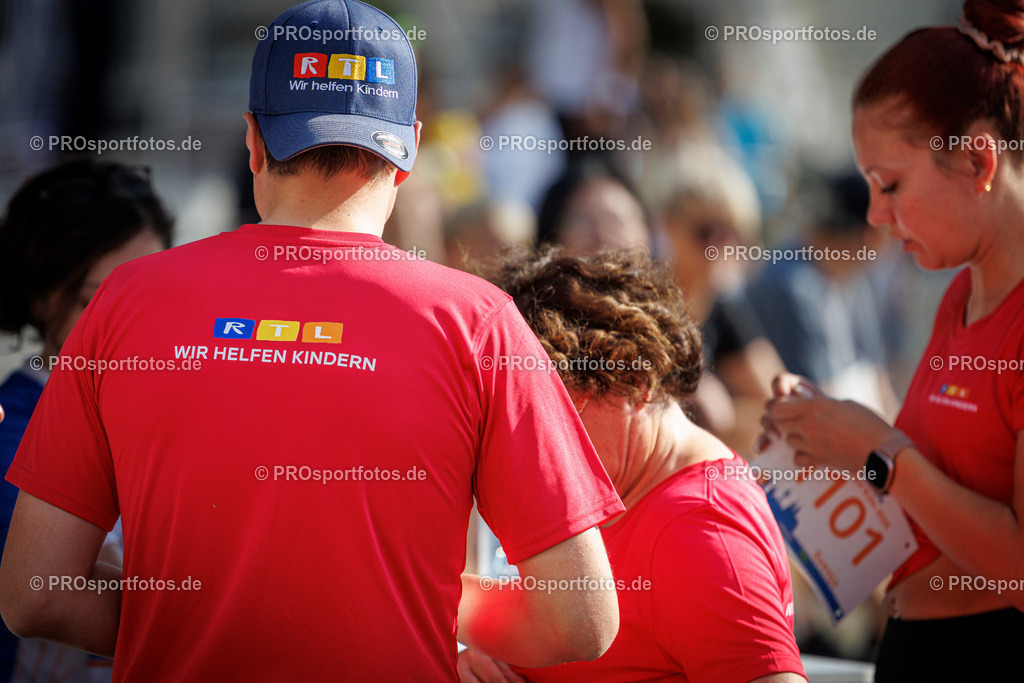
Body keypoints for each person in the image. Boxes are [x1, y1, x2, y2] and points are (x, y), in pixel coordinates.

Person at [0, 1, 624, 679]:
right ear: (410, 149)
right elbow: (582, 618)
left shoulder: (128, 298)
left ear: (253, 140)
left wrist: (187, 618)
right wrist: (430, 611)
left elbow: (34, 595)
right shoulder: (478, 322)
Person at [764, 1, 1024, 679]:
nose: (877, 217)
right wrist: (829, 439)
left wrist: (877, 452)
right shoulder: (961, 296)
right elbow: (933, 496)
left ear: (978, 160)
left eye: (891, 185)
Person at [461, 248, 805, 683]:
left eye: (554, 420)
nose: (533, 446)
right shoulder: (645, 492)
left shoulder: (697, 530)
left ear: (635, 385)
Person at [0, 159, 173, 682]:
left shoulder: (184, 413)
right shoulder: (11, 433)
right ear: (41, 296)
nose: (138, 324)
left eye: (157, 295)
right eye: (101, 301)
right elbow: (43, 597)